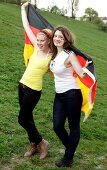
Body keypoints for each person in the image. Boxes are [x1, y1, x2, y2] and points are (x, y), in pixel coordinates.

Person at [18, 2, 52, 159]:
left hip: (33, 91)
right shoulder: (37, 48)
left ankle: (41, 142)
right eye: (37, 40)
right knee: (28, 118)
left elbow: (68, 59)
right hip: (22, 86)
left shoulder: (52, 56)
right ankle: (34, 144)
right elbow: (26, 26)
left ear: (48, 41)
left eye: (42, 41)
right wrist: (23, 9)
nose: (38, 43)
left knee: (22, 119)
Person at [50, 26, 87, 167]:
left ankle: (68, 157)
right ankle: (71, 149)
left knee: (73, 127)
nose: (57, 39)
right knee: (57, 126)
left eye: (61, 37)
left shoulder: (69, 54)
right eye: (56, 36)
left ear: (66, 40)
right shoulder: (54, 54)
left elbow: (81, 73)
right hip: (59, 95)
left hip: (72, 94)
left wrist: (88, 68)